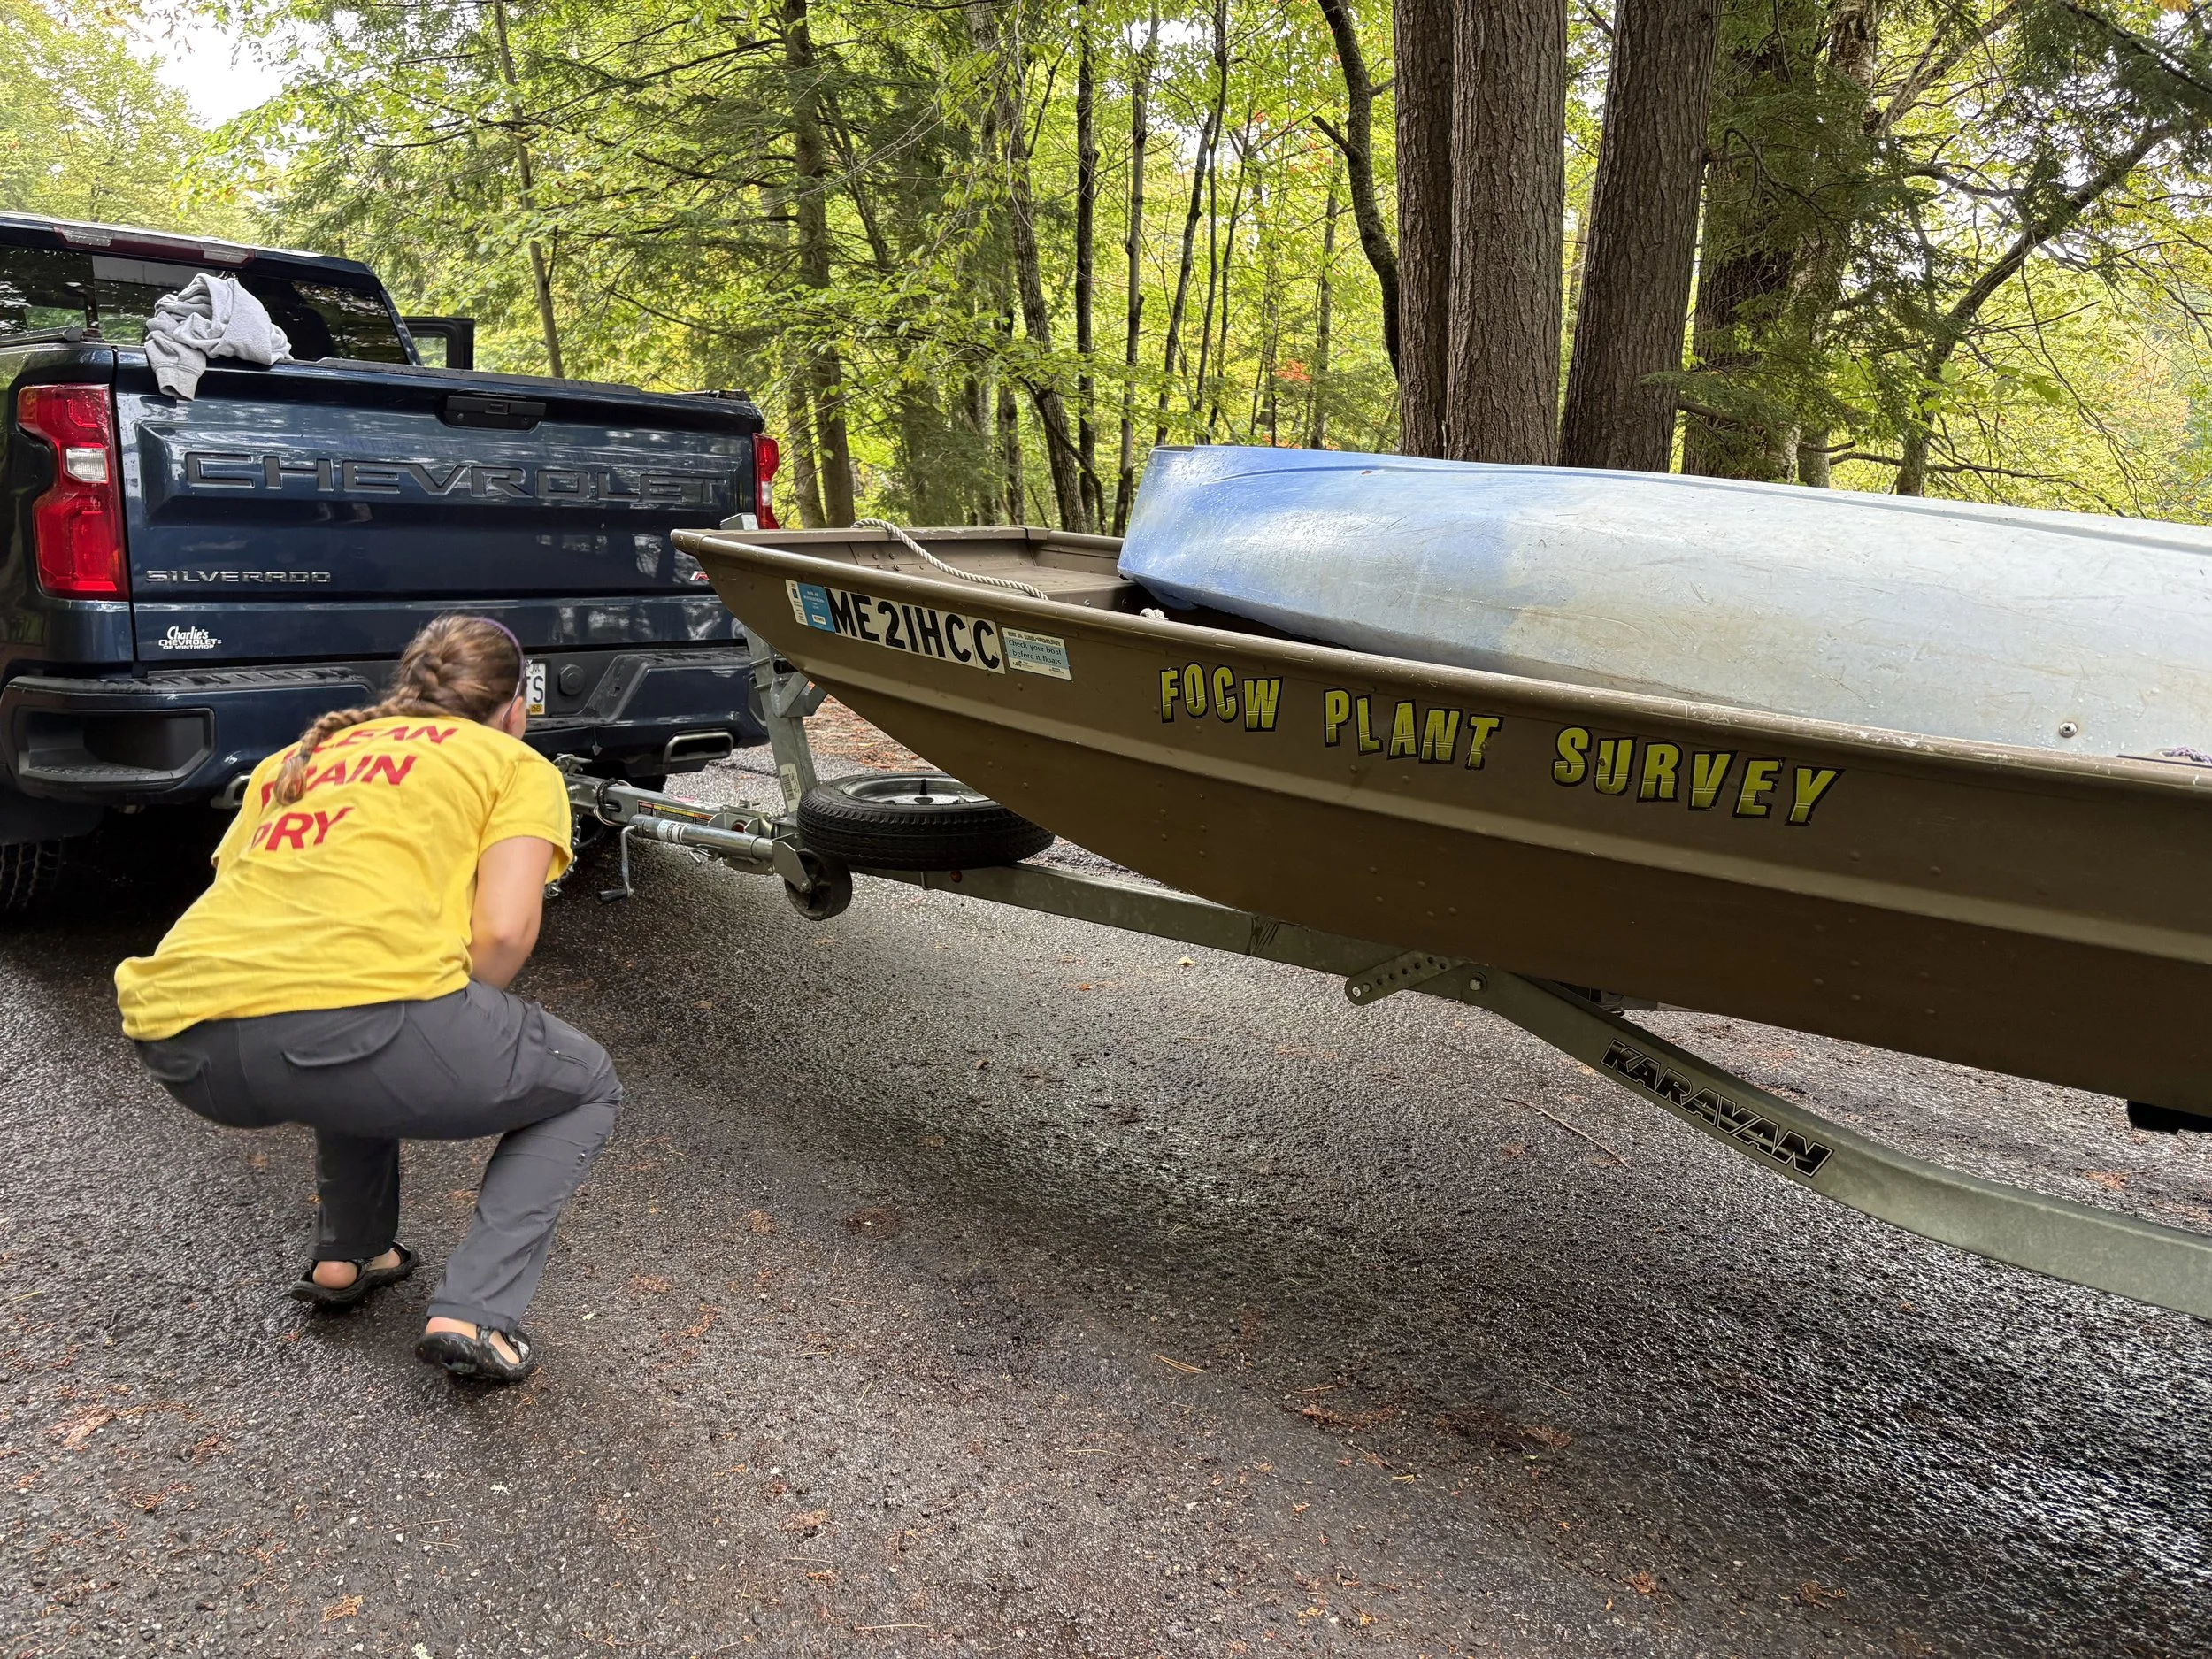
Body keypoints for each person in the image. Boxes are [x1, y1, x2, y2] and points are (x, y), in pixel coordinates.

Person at [115, 615, 618, 1385]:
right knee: (585, 1083)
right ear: (515, 707)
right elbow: (505, 934)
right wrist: (439, 1034)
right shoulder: (510, 763)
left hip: (185, 1039)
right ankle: (475, 1312)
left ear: (407, 690)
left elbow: (257, 903)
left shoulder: (298, 756)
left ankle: (351, 1253)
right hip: (348, 1030)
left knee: (355, 1011)